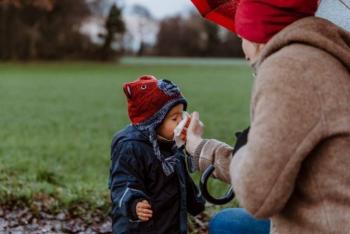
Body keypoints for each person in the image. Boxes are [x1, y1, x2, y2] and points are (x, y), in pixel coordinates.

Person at [187, 0, 350, 233]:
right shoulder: (327, 54)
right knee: (227, 222)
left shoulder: (289, 69)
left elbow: (258, 195)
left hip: (322, 224)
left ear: (254, 34)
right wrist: (200, 147)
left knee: (226, 226)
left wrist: (244, 147)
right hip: (328, 209)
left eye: (240, 34)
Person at [108, 75, 205, 234]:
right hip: (139, 227)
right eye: (175, 118)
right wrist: (133, 203)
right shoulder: (130, 147)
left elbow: (181, 179)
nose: (182, 121)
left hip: (170, 224)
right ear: (153, 122)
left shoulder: (173, 144)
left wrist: (195, 201)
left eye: (182, 114)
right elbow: (122, 182)